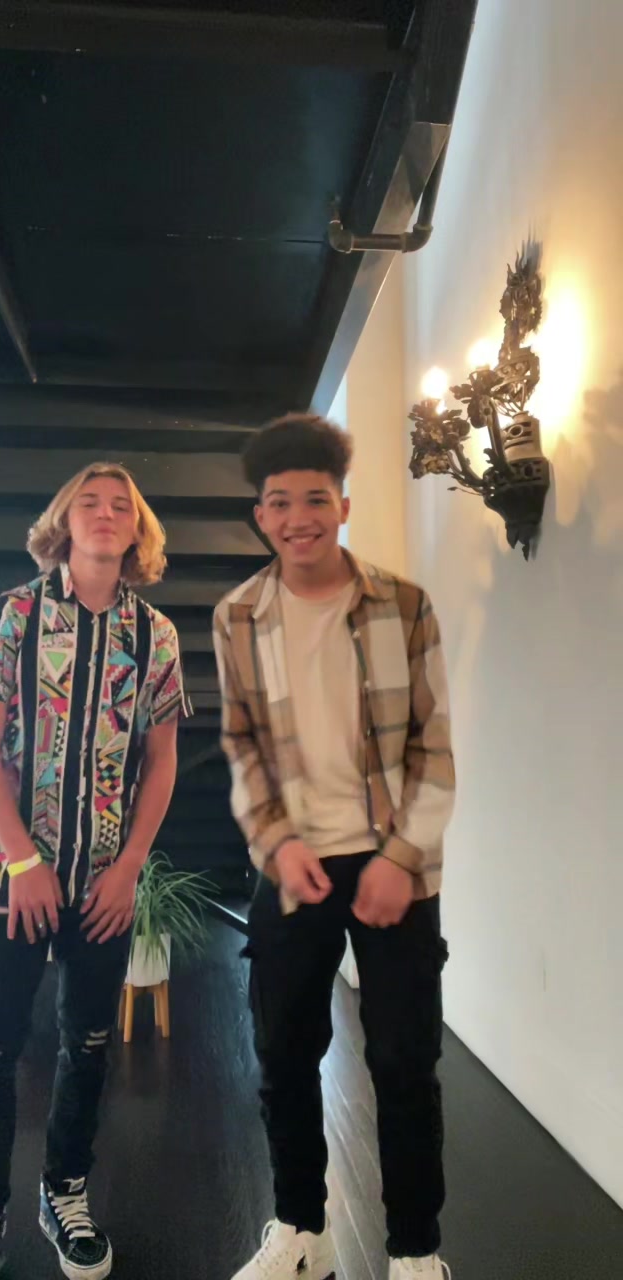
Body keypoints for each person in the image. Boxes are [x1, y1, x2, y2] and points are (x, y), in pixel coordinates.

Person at [213, 415, 455, 1280]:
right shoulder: (238, 616)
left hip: (394, 865)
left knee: (404, 1060)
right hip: (292, 867)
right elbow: (242, 745)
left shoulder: (404, 605)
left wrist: (400, 858)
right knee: (283, 1054)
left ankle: (416, 1249)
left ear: (342, 506)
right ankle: (299, 1232)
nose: (298, 517)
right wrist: (275, 843)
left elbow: (433, 746)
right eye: (279, 503)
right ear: (261, 517)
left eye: (315, 499)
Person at [0, 462, 188, 1280]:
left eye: (122, 504)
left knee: (88, 1046)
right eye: (90, 501)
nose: (106, 512)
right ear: (64, 520)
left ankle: (65, 1193)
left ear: (138, 528)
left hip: (104, 886)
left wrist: (130, 868)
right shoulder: (13, 615)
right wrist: (22, 859)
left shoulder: (156, 636)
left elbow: (161, 760)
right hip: (12, 881)